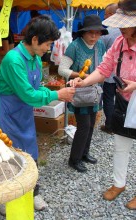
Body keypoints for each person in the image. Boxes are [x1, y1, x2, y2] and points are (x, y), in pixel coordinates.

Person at [0, 15, 75, 211]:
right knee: (6, 157)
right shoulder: (13, 59)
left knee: (30, 153)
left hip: (23, 113)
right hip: (6, 114)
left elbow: (36, 88)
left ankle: (33, 193)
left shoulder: (35, 58)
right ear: (35, 40)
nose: (49, 49)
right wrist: (56, 94)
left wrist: (56, 92)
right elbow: (27, 94)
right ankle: (5, 198)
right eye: (48, 44)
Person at [68, 0, 136, 209]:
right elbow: (104, 68)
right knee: (120, 146)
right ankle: (119, 183)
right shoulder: (119, 43)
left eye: (126, 24)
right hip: (124, 103)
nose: (122, 29)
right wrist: (83, 81)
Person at [58, 14, 107, 172]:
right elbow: (62, 69)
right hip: (79, 92)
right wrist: (83, 76)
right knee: (84, 126)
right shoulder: (75, 46)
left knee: (92, 123)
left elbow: (104, 66)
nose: (94, 36)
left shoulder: (100, 46)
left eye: (97, 33)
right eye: (90, 33)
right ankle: (74, 159)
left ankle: (84, 153)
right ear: (83, 33)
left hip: (94, 91)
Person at [100, 3, 121, 134]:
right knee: (120, 100)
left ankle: (110, 125)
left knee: (108, 100)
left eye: (106, 14)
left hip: (109, 74)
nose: (104, 17)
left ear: (112, 15)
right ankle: (120, 124)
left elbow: (100, 51)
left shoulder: (107, 32)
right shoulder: (126, 30)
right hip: (123, 75)